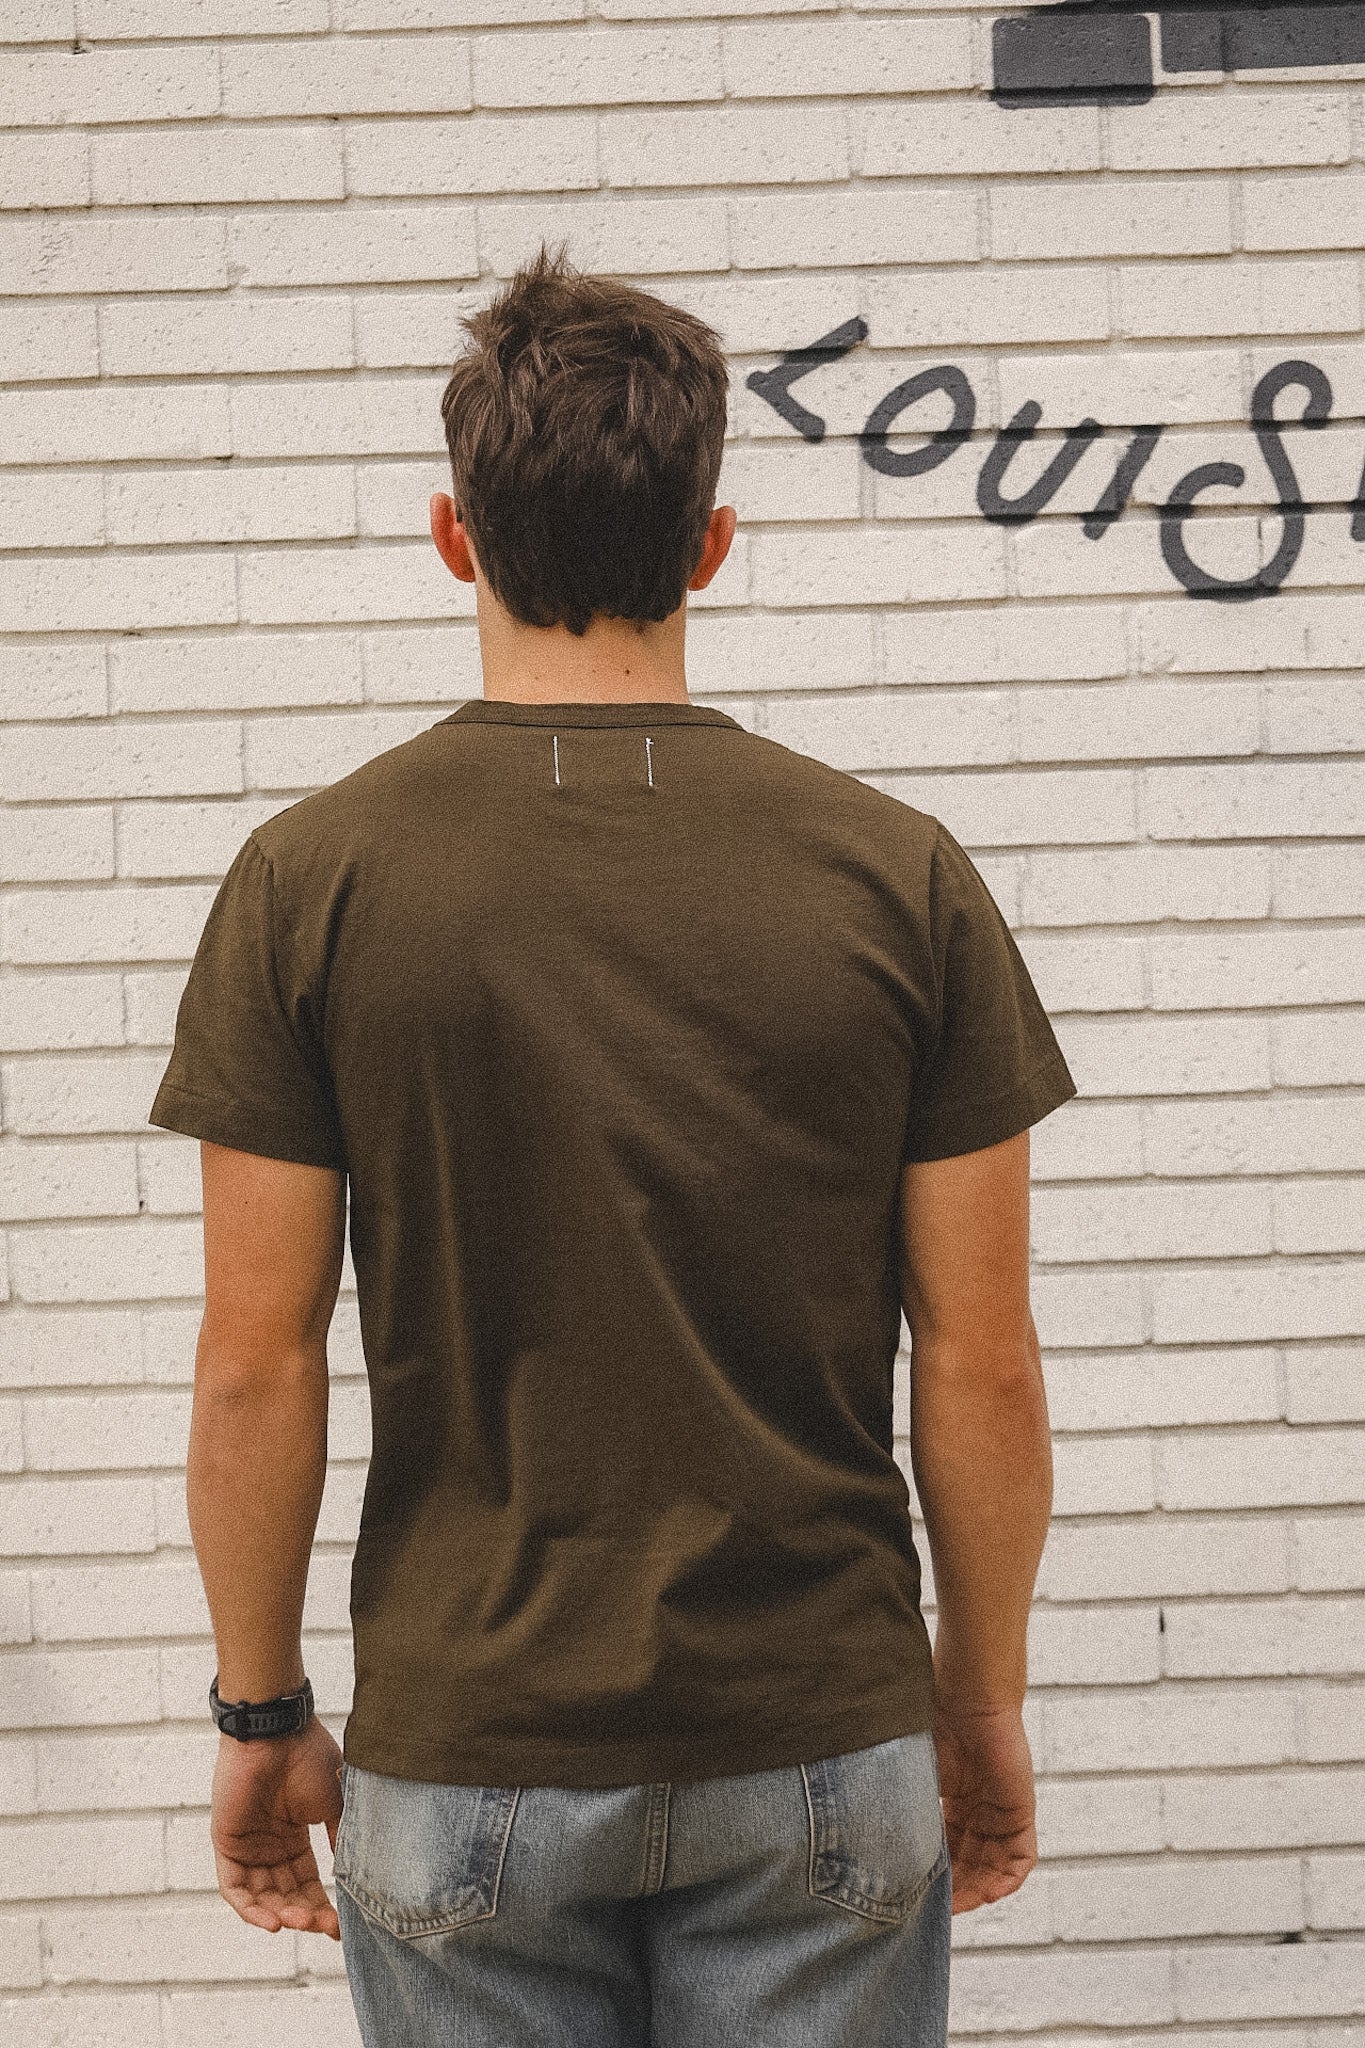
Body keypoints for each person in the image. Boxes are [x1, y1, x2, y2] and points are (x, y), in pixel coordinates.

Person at [148, 243, 1077, 2048]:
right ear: (710, 543)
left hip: (468, 1747)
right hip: (819, 1733)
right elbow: (985, 1362)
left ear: (453, 534)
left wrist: (261, 1719)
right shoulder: (896, 877)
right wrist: (978, 1708)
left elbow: (255, 1363)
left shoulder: (312, 882)